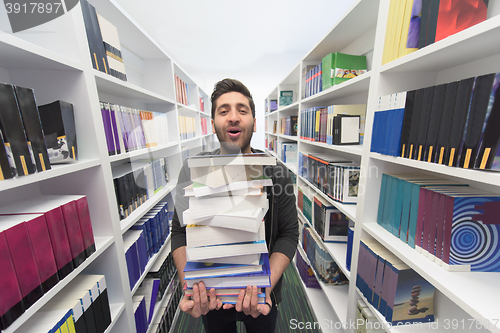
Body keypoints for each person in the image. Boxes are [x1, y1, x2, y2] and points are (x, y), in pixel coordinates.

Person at [170, 78, 298, 332]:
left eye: (242, 110)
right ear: (213, 123)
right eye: (224, 110)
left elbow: (288, 234)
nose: (233, 117)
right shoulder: (193, 171)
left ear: (253, 122)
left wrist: (264, 285)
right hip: (211, 295)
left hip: (261, 292)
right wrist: (191, 286)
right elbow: (179, 233)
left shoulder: (277, 173)